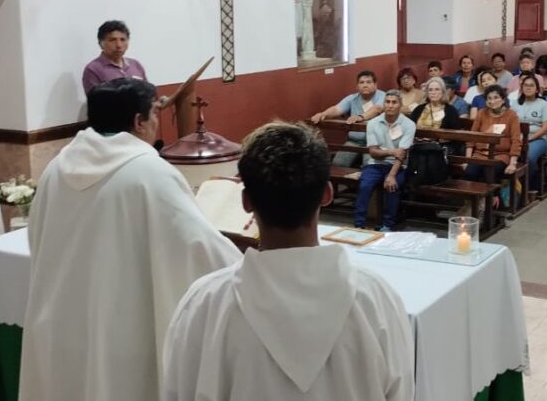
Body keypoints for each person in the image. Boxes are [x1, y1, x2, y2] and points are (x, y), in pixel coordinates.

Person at [20, 79, 241, 401]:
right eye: (154, 112)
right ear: (139, 121)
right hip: (120, 332)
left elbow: (35, 239)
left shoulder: (56, 169)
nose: (156, 121)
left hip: (59, 327)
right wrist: (244, 267)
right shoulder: (150, 173)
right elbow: (199, 249)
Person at [161, 122, 414, 401]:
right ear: (327, 194)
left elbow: (177, 391)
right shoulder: (376, 299)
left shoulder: (205, 304)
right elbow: (400, 393)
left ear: (245, 202)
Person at [354, 91, 416, 232]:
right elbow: (373, 152)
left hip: (397, 165)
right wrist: (391, 151)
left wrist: (392, 175)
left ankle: (387, 225)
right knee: (365, 185)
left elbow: (402, 154)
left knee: (392, 186)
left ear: (400, 105)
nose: (390, 105)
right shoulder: (373, 123)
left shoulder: (409, 124)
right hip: (375, 163)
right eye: (387, 102)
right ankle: (359, 224)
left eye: (394, 102)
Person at [311, 71, 385, 167]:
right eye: (361, 82)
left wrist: (361, 117)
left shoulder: (383, 96)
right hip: (354, 141)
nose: (365, 85)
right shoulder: (352, 98)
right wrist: (324, 114)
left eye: (368, 82)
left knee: (369, 166)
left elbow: (377, 109)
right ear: (357, 86)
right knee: (338, 163)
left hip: (374, 143)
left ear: (375, 85)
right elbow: (336, 109)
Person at [465, 85, 522, 188]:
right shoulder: (482, 113)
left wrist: (512, 163)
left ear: (503, 99)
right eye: (489, 98)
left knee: (490, 172)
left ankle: (493, 200)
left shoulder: (511, 115)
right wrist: (468, 159)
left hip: (500, 155)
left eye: (496, 97)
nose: (492, 101)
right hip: (480, 154)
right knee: (470, 172)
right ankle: (474, 200)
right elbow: (472, 136)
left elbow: (516, 140)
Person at [81, 20, 147, 93]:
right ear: (100, 43)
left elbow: (148, 95)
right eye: (112, 40)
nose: (119, 45)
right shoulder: (93, 69)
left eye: (123, 40)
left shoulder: (135, 65)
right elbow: (95, 102)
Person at [512, 75, 547, 189]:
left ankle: (528, 188)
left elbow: (546, 127)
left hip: (538, 139)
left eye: (531, 85)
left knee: (528, 157)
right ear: (521, 88)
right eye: (525, 85)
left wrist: (530, 138)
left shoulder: (543, 104)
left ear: (537, 89)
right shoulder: (515, 104)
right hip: (517, 137)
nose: (528, 88)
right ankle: (514, 187)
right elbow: (510, 123)